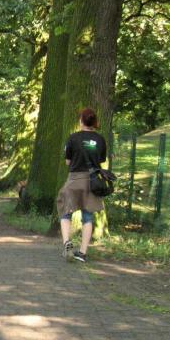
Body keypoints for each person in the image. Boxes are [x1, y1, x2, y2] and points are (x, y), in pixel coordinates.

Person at [56, 107, 107, 263]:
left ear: (81, 121)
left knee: (65, 210)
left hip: (75, 179)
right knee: (88, 216)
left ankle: (66, 242)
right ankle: (82, 253)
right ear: (93, 122)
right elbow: (101, 160)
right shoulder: (100, 139)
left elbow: (67, 161)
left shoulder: (73, 138)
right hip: (92, 181)